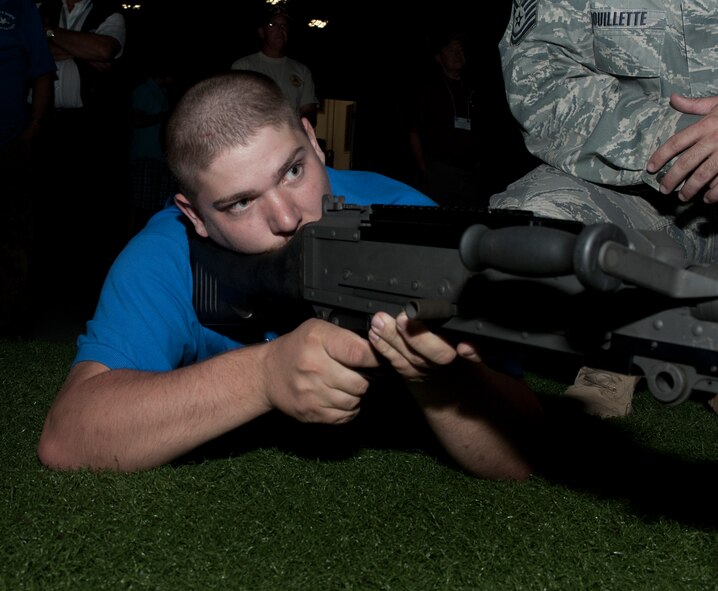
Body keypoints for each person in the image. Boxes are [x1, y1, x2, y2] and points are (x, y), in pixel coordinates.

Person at [37, 71, 544, 480]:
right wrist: (263, 376)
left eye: (292, 172)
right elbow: (69, 436)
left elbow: (522, 456)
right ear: (195, 216)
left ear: (314, 141)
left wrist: (441, 383)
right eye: (240, 203)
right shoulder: (166, 254)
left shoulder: (402, 218)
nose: (285, 218)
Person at [492, 1, 718, 422]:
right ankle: (615, 343)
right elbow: (539, 80)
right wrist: (703, 146)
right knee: (527, 225)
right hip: (635, 199)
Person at [35, 0, 128, 318]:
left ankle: (92, 304)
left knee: (93, 214)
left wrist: (46, 35)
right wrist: (79, 48)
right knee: (48, 213)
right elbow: (24, 51)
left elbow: (104, 49)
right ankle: (47, 298)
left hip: (92, 133)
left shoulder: (110, 12)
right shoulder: (41, 7)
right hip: (44, 126)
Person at [0, 0, 57, 334]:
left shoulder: (20, 9)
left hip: (9, 143)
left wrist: (34, 126)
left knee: (12, 238)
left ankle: (10, 326)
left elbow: (42, 73)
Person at [407, 29, 483, 207]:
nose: (458, 54)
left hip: (470, 173)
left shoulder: (472, 89)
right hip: (440, 171)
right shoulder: (429, 89)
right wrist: (424, 168)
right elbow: (413, 130)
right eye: (451, 50)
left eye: (461, 50)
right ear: (439, 58)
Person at [231, 5, 318, 128]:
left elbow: (309, 110)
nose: (279, 29)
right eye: (272, 25)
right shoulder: (243, 66)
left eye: (284, 25)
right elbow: (235, 109)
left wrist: (301, 128)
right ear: (262, 32)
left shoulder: (302, 71)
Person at [127, 55, 177, 236]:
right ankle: (132, 241)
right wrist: (166, 116)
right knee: (141, 205)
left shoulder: (163, 93)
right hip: (145, 157)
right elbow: (137, 120)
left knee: (160, 206)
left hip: (162, 159)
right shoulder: (143, 90)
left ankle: (153, 239)